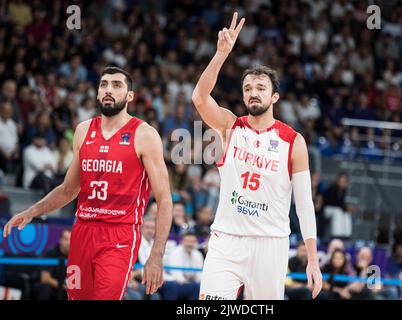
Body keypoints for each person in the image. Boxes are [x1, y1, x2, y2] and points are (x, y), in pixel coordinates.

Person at [3, 66, 173, 300]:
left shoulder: (144, 135)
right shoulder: (84, 131)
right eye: (104, 85)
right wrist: (31, 211)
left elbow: (164, 200)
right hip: (82, 231)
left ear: (130, 96)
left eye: (116, 85)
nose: (108, 90)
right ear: (96, 93)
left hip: (119, 234)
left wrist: (156, 255)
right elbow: (69, 189)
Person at [192, 12, 322, 300]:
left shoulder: (293, 141)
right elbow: (199, 99)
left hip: (271, 245)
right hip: (226, 241)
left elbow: (304, 205)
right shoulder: (230, 127)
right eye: (248, 88)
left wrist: (312, 259)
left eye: (261, 88)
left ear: (274, 96)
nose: (253, 93)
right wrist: (221, 54)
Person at [34, 229, 71, 300]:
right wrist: (64, 287)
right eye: (66, 239)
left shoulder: (76, 255)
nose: (69, 243)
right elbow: (45, 279)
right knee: (46, 287)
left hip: (64, 287)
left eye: (71, 239)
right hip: (46, 286)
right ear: (60, 240)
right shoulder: (50, 253)